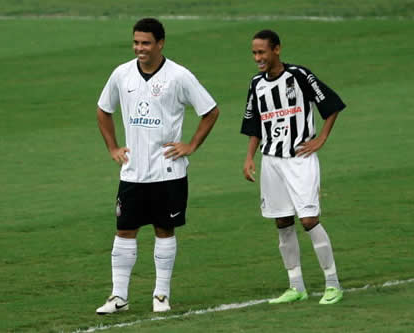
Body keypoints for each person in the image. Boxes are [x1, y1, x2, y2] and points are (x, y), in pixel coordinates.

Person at [95, 18, 219, 314]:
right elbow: (103, 110)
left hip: (168, 171)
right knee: (124, 230)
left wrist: (190, 145)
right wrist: (113, 147)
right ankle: (118, 297)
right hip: (133, 171)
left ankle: (161, 295)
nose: (140, 48)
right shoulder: (121, 74)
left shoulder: (179, 76)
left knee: (164, 230)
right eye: (136, 42)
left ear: (160, 43)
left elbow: (211, 111)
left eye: (146, 43)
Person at [240, 29, 345, 305]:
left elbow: (331, 104)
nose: (257, 58)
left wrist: (321, 138)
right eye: (254, 53)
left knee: (309, 220)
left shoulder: (299, 76)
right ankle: (296, 286)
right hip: (271, 161)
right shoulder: (256, 84)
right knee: (283, 222)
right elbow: (254, 124)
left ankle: (333, 284)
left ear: (277, 49)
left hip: (300, 159)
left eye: (262, 52)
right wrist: (249, 157)